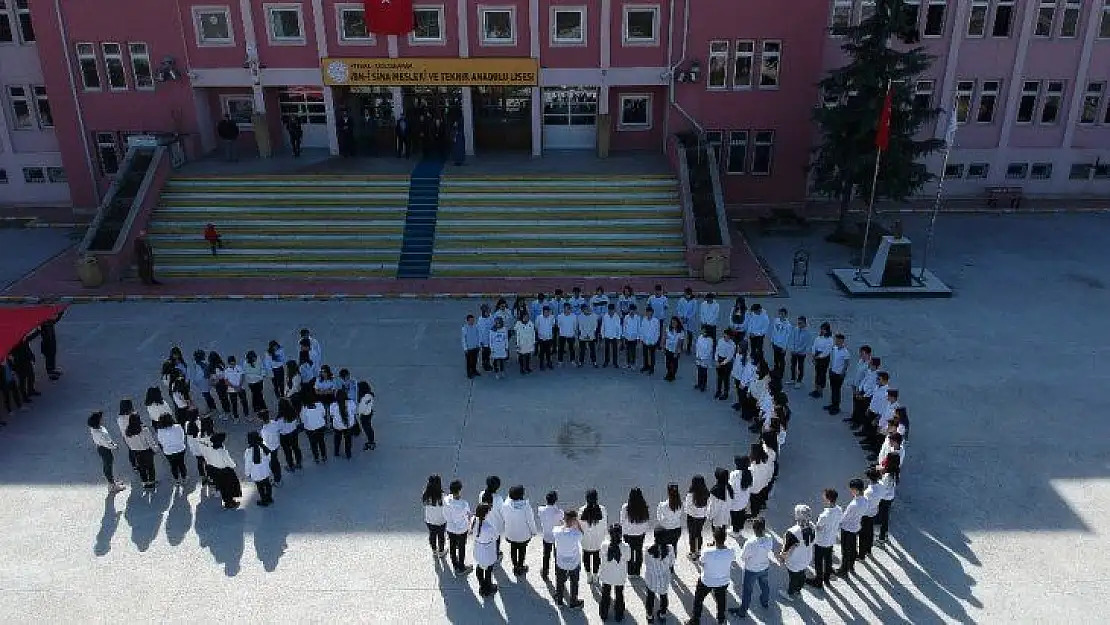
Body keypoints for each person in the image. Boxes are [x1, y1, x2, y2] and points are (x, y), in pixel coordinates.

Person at [691, 526, 735, 624]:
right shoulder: (731, 551)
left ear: (714, 538)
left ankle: (695, 619)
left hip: (707, 581)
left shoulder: (707, 551)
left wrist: (697, 557)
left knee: (698, 599)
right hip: (723, 582)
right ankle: (721, 619)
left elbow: (701, 563)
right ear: (725, 538)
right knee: (721, 601)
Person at [733, 518, 773, 618]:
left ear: (753, 529)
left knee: (747, 591)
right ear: (764, 528)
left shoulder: (750, 543)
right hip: (764, 567)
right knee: (764, 585)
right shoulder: (769, 538)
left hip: (751, 570)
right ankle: (764, 602)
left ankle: (742, 611)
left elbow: (743, 557)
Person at [779, 504, 817, 601]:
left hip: (794, 560)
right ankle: (798, 591)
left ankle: (790, 593)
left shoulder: (792, 532)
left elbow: (786, 549)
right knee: (802, 575)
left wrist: (782, 558)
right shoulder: (812, 526)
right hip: (806, 558)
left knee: (793, 578)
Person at [502, 485, 539, 575]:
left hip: (511, 534)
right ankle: (521, 566)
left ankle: (515, 566)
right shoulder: (526, 507)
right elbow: (531, 521)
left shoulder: (506, 505)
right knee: (522, 551)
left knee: (513, 549)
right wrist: (534, 532)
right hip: (523, 536)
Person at [553, 509, 585, 608]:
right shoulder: (576, 534)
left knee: (560, 580)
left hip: (561, 562)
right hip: (573, 563)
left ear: (565, 519)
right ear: (574, 520)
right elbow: (582, 533)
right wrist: (578, 524)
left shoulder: (556, 531)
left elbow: (560, 528)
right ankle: (573, 601)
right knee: (574, 582)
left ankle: (559, 600)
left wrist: (563, 524)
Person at [835, 478, 867, 578]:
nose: (851, 491)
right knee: (853, 548)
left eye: (852, 489)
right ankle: (851, 566)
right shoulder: (865, 500)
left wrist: (837, 523)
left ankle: (843, 570)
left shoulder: (854, 504)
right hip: (856, 527)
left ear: (856, 490)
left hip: (847, 529)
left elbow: (844, 518)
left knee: (845, 550)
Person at [811, 488, 843, 589]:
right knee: (828, 559)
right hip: (831, 539)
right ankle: (827, 577)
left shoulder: (824, 515)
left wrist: (812, 525)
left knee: (818, 561)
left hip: (821, 541)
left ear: (828, 499)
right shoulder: (839, 509)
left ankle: (818, 580)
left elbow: (818, 528)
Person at [598, 524, 630, 621]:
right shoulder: (625, 546)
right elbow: (628, 558)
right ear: (620, 534)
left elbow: (600, 557)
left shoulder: (604, 545)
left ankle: (604, 614)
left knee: (605, 594)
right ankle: (619, 615)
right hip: (619, 576)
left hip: (606, 576)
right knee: (619, 594)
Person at [643, 526, 676, 623]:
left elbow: (646, 562)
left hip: (651, 579)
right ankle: (662, 615)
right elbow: (671, 563)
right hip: (664, 579)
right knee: (663, 597)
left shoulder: (647, 549)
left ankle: (649, 616)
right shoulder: (670, 549)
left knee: (650, 597)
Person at [89, 412, 127, 492]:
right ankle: (112, 486)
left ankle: (112, 482)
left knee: (107, 465)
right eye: (101, 418)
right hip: (105, 449)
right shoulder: (101, 433)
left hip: (101, 448)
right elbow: (107, 443)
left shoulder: (94, 428)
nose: (102, 419)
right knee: (108, 466)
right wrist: (115, 446)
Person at [619, 488, 651, 576]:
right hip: (640, 533)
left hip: (628, 533)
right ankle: (637, 571)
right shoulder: (644, 506)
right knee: (638, 551)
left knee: (629, 551)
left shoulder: (626, 507)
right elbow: (647, 520)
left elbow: (622, 520)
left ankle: (630, 571)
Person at [444, 480, 473, 574]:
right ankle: (461, 567)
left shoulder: (445, 500)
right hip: (461, 530)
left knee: (452, 546)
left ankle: (454, 564)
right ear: (459, 491)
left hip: (450, 528)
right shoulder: (464, 504)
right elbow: (468, 515)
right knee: (461, 547)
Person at [471, 502, 500, 597]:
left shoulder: (474, 520)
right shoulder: (488, 527)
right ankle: (488, 588)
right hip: (487, 551)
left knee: (479, 567)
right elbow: (496, 537)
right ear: (486, 513)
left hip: (478, 549)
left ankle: (482, 585)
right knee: (488, 570)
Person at [579, 489, 608, 583]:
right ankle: (595, 576)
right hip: (598, 540)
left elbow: (580, 526)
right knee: (597, 557)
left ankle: (588, 576)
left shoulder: (581, 510)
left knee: (586, 557)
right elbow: (604, 525)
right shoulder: (602, 510)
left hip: (585, 540)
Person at [206, 432, 241, 509]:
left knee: (222, 487)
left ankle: (226, 501)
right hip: (225, 471)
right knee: (229, 487)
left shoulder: (210, 449)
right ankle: (230, 502)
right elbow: (229, 462)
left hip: (215, 471)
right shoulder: (222, 451)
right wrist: (234, 465)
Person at [123, 412, 158, 489]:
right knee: (150, 467)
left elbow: (128, 443)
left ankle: (144, 482)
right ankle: (151, 482)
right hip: (147, 451)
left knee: (142, 468)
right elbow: (150, 441)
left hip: (136, 452)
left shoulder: (127, 431)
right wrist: (155, 449)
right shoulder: (144, 429)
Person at [155, 414, 189, 486]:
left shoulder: (160, 431)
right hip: (180, 449)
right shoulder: (178, 426)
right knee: (181, 463)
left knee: (173, 465)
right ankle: (184, 477)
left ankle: (176, 480)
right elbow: (182, 437)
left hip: (168, 451)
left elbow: (160, 441)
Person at [244, 431, 275, 507]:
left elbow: (248, 465)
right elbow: (269, 458)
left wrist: (247, 473)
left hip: (256, 474)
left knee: (260, 487)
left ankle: (263, 500)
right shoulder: (263, 446)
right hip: (265, 471)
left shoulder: (248, 451)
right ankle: (269, 498)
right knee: (267, 485)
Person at [538, 491, 563, 580]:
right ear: (556, 500)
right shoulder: (559, 512)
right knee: (557, 556)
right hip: (557, 538)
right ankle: (558, 573)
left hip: (547, 536)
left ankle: (545, 572)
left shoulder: (541, 510)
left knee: (546, 555)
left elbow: (541, 510)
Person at [685, 475, 711, 559]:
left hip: (692, 517)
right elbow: (709, 506)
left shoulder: (691, 494)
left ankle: (692, 553)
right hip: (702, 517)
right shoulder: (707, 493)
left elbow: (687, 506)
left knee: (692, 535)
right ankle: (699, 551)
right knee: (699, 533)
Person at [859, 468, 882, 561]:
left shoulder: (868, 492)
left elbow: (864, 504)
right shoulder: (881, 486)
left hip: (866, 514)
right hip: (874, 511)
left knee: (863, 534)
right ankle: (868, 549)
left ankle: (861, 554)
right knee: (870, 531)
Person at [656, 484, 684, 561]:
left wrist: (663, 522)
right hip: (677, 529)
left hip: (666, 530)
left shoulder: (663, 505)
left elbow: (659, 518)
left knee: (664, 547)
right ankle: (672, 563)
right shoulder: (680, 504)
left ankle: (665, 562)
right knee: (674, 546)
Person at [826, 333, 852, 415]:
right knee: (833, 389)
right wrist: (830, 368)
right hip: (832, 372)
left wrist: (842, 373)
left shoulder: (845, 352)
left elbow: (846, 364)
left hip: (839, 374)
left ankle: (836, 407)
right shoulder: (834, 348)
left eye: (837, 340)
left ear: (842, 341)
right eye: (836, 339)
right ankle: (832, 404)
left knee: (837, 390)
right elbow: (833, 359)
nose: (836, 341)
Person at [423, 474, 448, 557]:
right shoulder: (442, 496)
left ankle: (434, 550)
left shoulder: (425, 495)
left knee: (432, 535)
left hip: (429, 520)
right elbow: (446, 506)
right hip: (441, 521)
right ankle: (441, 551)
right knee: (441, 536)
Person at [728, 456, 753, 536]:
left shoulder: (734, 474)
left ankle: (735, 532)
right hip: (744, 500)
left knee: (734, 518)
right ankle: (740, 528)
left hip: (735, 502)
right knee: (741, 514)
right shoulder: (749, 473)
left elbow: (730, 488)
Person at [877, 456, 900, 543]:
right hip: (890, 497)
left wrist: (879, 474)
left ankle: (882, 537)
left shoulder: (887, 476)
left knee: (883, 517)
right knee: (886, 516)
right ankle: (885, 533)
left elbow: (882, 487)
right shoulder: (895, 472)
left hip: (884, 498)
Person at [277, 398, 303, 471]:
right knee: (296, 448)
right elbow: (297, 423)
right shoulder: (294, 413)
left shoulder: (279, 418)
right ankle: (299, 463)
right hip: (294, 433)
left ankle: (290, 465)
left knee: (287, 451)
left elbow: (278, 429)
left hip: (284, 436)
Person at [810, 322, 834, 398]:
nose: (822, 330)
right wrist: (814, 355)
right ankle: (816, 389)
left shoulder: (830, 339)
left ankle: (820, 391)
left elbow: (827, 351)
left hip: (824, 358)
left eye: (824, 329)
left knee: (822, 374)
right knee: (817, 373)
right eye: (822, 329)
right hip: (817, 355)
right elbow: (814, 346)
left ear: (827, 330)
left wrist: (819, 357)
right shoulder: (818, 337)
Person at [300, 397, 328, 464]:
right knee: (321, 441)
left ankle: (316, 458)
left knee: (313, 444)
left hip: (310, 430)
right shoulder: (320, 405)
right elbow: (324, 414)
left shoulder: (304, 409)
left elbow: (303, 420)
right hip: (321, 427)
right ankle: (324, 456)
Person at [259, 410, 283, 486]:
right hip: (276, 446)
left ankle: (277, 480)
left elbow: (264, 441)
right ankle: (277, 478)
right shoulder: (274, 423)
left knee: (273, 464)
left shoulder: (264, 430)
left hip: (270, 449)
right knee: (275, 462)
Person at [787, 316, 812, 388]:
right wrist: (792, 349)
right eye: (798, 323)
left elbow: (806, 344)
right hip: (794, 351)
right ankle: (793, 379)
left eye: (800, 323)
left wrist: (798, 351)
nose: (799, 324)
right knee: (793, 366)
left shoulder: (807, 332)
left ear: (804, 323)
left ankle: (799, 381)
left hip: (801, 353)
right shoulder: (795, 329)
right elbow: (792, 339)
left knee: (800, 367)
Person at [708, 467, 735, 534]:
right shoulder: (729, 487)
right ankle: (722, 541)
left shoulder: (715, 490)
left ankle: (716, 541)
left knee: (716, 531)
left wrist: (710, 516)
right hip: (725, 515)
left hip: (717, 517)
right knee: (723, 528)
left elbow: (712, 506)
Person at [332, 390, 357, 459]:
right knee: (348, 440)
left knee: (337, 439)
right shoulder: (351, 403)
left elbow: (332, 415)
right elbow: (354, 412)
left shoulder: (333, 405)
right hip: (349, 426)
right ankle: (348, 453)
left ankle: (336, 452)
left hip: (337, 426)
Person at [770, 308, 792, 379]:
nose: (781, 315)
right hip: (775, 343)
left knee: (781, 360)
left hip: (782, 345)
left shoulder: (788, 325)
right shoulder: (776, 320)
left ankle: (781, 373)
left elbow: (788, 337)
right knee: (776, 358)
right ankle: (776, 370)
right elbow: (773, 331)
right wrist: (772, 340)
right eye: (780, 314)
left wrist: (784, 347)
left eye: (782, 314)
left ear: (785, 315)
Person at [639, 306, 662, 375]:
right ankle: (646, 366)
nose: (649, 313)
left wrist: (655, 341)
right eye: (647, 312)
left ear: (652, 312)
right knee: (645, 355)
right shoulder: (644, 319)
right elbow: (641, 330)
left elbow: (657, 332)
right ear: (646, 313)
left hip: (652, 341)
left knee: (652, 355)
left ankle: (652, 368)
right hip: (645, 340)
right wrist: (642, 339)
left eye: (650, 312)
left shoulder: (656, 321)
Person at [713, 330, 736, 400]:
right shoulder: (720, 341)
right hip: (720, 359)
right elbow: (717, 351)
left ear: (730, 336)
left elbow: (730, 356)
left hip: (727, 362)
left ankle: (726, 393)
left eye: (727, 336)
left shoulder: (732, 345)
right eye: (725, 335)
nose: (725, 337)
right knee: (719, 377)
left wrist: (722, 363)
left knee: (726, 378)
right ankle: (718, 391)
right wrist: (716, 360)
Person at [225, 355, 248, 420]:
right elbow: (226, 381)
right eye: (231, 364)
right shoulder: (226, 371)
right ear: (228, 363)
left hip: (241, 388)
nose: (233, 365)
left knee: (244, 402)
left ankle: (246, 415)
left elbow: (242, 376)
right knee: (234, 404)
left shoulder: (239, 367)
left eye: (234, 363)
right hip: (231, 390)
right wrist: (234, 387)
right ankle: (236, 417)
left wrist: (239, 386)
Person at [356, 381, 376, 451]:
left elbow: (361, 408)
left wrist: (358, 413)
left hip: (364, 415)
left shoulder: (364, 398)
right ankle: (371, 441)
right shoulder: (370, 396)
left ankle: (371, 442)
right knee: (369, 427)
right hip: (369, 413)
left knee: (367, 428)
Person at [662, 317, 684, 381]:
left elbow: (680, 343)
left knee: (674, 364)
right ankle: (668, 373)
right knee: (668, 363)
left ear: (677, 323)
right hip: (668, 348)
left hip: (676, 350)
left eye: (674, 322)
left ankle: (673, 375)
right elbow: (664, 337)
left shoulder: (681, 331)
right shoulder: (668, 328)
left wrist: (676, 352)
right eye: (672, 322)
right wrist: (663, 346)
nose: (673, 323)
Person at [677, 287, 698, 354]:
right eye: (686, 294)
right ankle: (680, 347)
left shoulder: (694, 301)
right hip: (682, 319)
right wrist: (682, 317)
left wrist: (687, 318)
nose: (687, 295)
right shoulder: (681, 300)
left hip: (690, 320)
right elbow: (678, 309)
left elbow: (694, 311)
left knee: (690, 334)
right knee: (681, 334)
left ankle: (688, 348)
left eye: (688, 294)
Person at [693, 326, 714, 392]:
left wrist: (702, 358)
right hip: (699, 358)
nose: (702, 332)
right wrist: (697, 355)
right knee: (699, 371)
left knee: (704, 372)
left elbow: (709, 350)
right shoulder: (700, 337)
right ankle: (699, 383)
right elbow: (697, 346)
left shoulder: (710, 340)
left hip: (705, 359)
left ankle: (703, 385)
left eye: (704, 331)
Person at [621, 304, 641, 370]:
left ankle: (633, 364)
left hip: (634, 337)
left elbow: (639, 328)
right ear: (629, 310)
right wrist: (623, 336)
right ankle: (628, 363)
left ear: (635, 311)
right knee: (627, 351)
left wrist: (638, 338)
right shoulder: (626, 317)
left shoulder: (637, 318)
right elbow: (624, 327)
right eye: (630, 310)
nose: (631, 311)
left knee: (633, 351)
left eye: (633, 310)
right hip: (627, 337)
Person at [462, 314, 481, 379]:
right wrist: (465, 348)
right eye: (470, 320)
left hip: (475, 347)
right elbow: (463, 339)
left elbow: (478, 336)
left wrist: (478, 345)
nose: (472, 322)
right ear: (467, 321)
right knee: (469, 361)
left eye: (473, 320)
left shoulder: (476, 327)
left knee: (475, 360)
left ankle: (474, 370)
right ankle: (469, 373)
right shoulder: (464, 328)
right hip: (469, 348)